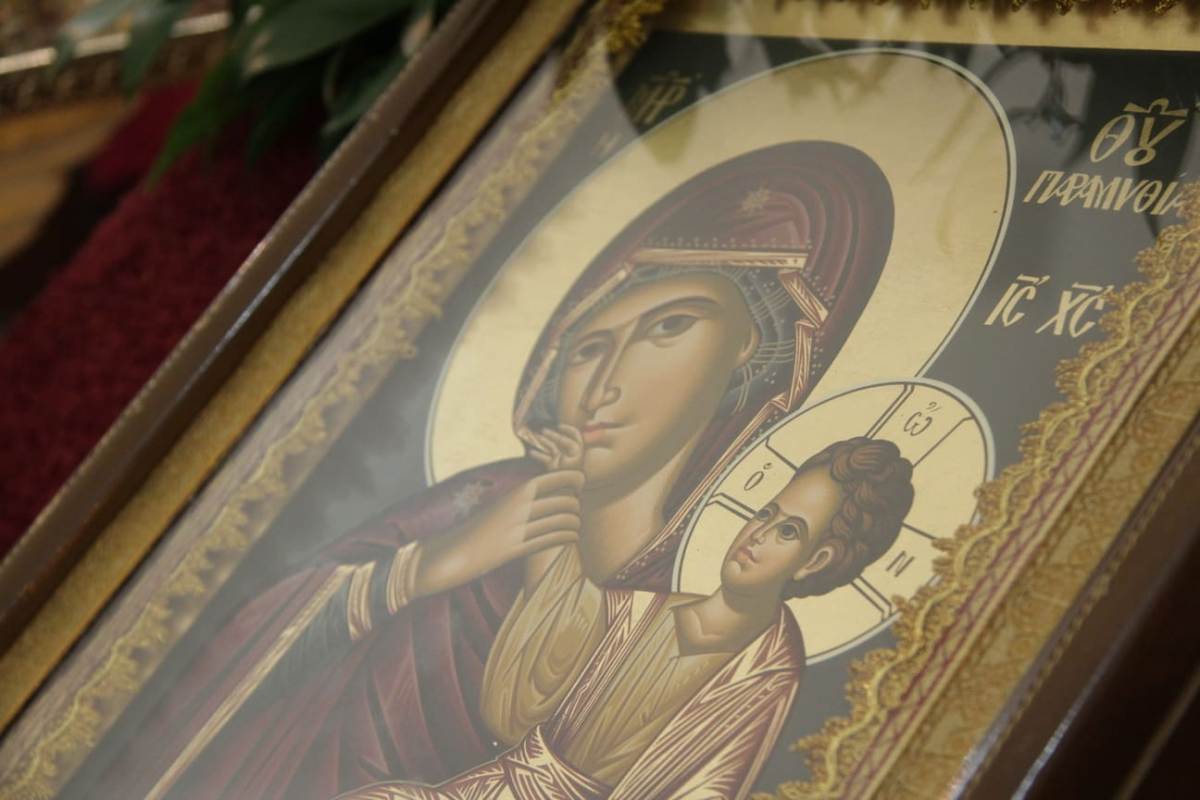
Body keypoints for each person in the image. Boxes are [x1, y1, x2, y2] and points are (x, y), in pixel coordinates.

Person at [92, 142, 894, 800]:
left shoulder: (699, 616)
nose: (605, 382)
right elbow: (202, 678)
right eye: (588, 348)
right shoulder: (481, 503)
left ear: (747, 349)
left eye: (668, 327)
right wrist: (424, 569)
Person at [334, 434, 915, 800]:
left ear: (815, 561)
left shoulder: (763, 673)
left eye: (788, 531)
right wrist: (563, 488)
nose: (757, 535)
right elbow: (548, 647)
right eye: (766, 512)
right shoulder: (637, 610)